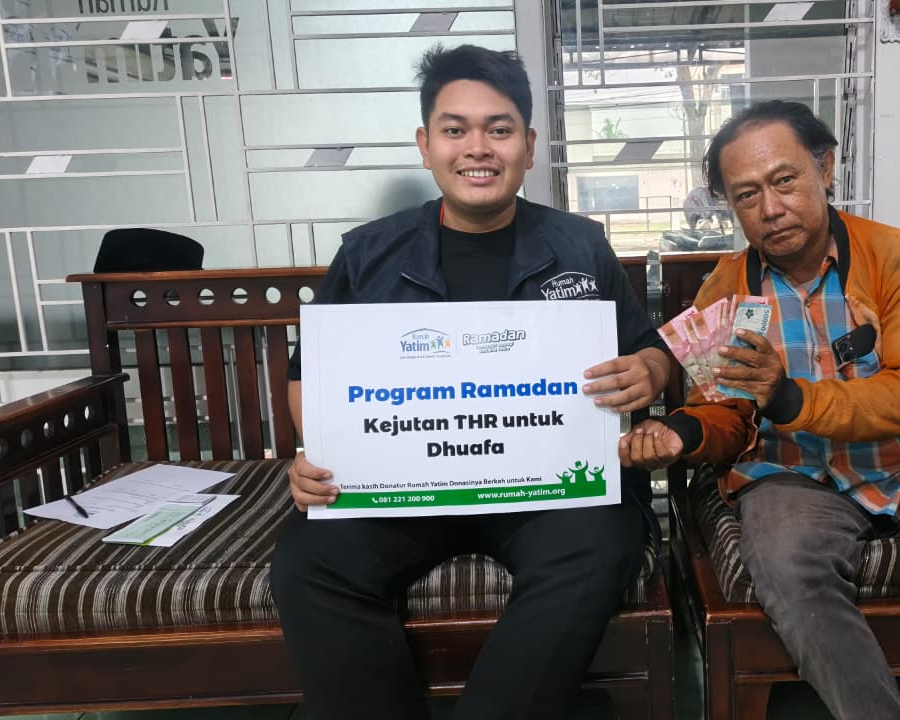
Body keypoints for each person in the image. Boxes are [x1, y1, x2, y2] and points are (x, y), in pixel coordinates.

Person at [620, 100, 900, 719]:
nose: (770, 208)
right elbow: (726, 414)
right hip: (787, 471)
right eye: (746, 195)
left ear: (825, 169)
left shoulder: (898, 258)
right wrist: (681, 434)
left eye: (785, 180)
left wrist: (789, 396)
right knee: (787, 560)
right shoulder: (727, 288)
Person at [271, 45, 672, 720]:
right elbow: (308, 375)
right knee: (310, 562)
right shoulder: (368, 253)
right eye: (455, 129)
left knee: (604, 539)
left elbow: (646, 348)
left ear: (529, 146)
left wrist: (649, 371)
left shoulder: (580, 246)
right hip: (404, 490)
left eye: (499, 129)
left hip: (546, 493)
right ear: (426, 145)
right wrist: (321, 454)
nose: (477, 148)